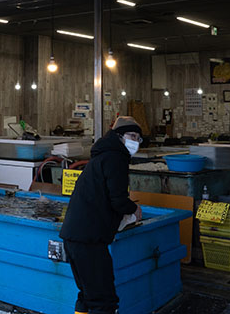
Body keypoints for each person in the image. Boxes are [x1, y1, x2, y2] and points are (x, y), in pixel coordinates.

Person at [59, 116, 143, 314]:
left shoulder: (102, 155)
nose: (135, 141)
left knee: (87, 295)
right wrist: (134, 210)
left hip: (73, 237)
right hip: (89, 240)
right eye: (132, 135)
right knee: (104, 301)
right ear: (119, 136)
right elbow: (118, 200)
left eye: (138, 138)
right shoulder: (116, 158)